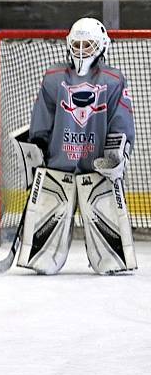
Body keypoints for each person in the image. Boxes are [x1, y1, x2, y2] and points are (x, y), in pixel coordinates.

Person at [15, 17, 136, 275]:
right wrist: (37, 148)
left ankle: (109, 260)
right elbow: (42, 117)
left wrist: (117, 155)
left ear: (102, 46)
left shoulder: (113, 80)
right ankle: (45, 256)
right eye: (77, 44)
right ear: (69, 45)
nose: (81, 50)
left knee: (111, 257)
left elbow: (121, 120)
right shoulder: (54, 77)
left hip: (97, 168)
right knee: (42, 259)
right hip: (59, 165)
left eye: (88, 44)